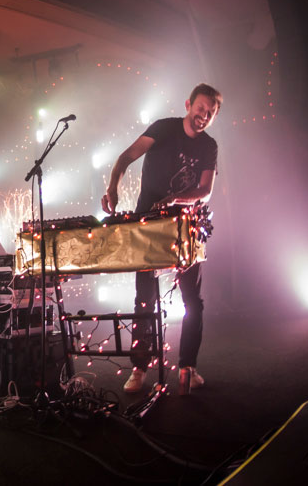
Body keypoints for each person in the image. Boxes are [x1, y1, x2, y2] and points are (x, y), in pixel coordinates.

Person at [101, 84, 221, 395]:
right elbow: (126, 156)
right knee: (145, 298)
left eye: (210, 113)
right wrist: (113, 186)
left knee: (193, 300)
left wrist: (175, 200)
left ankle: (187, 367)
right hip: (148, 224)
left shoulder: (210, 146)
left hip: (185, 226)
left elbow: (205, 190)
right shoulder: (163, 128)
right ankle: (140, 369)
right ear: (188, 104)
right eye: (201, 108)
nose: (204, 116)